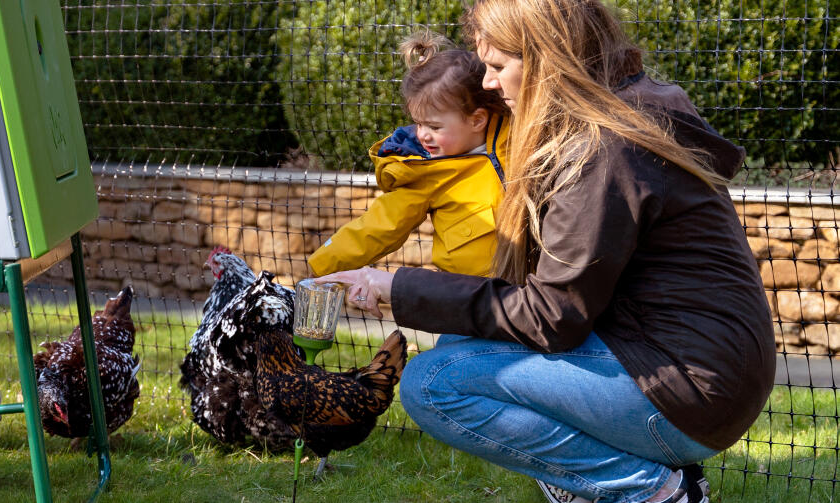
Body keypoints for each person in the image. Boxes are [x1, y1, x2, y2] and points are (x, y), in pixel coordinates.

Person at [316, 1, 775, 502]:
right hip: (702, 370)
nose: (488, 83)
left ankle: (650, 490)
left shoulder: (604, 150)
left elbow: (551, 316)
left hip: (690, 390)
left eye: (497, 66)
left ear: (545, 58)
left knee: (433, 384)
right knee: (457, 351)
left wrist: (395, 286)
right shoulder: (622, 109)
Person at [307, 30, 509, 278]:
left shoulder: (515, 136)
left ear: (477, 119)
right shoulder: (424, 171)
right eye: (418, 123)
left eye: (434, 127)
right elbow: (378, 227)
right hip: (469, 295)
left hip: (531, 290)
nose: (423, 134)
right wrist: (320, 266)